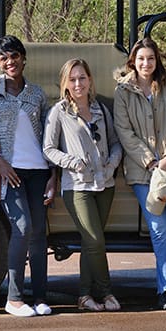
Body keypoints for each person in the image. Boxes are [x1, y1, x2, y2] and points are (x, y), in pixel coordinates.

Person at [113, 37, 166, 310]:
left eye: (150, 58)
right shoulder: (123, 92)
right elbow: (125, 132)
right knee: (159, 229)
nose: (146, 63)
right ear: (132, 63)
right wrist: (150, 162)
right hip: (142, 172)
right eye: (140, 59)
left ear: (157, 60)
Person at [0, 35, 56, 317]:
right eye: (3, 58)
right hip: (9, 172)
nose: (10, 62)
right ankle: (14, 298)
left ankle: (40, 297)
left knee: (38, 233)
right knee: (22, 228)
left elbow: (49, 137)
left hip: (38, 170)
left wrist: (52, 174)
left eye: (14, 56)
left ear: (24, 58)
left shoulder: (36, 94)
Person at [43, 59, 123, 312]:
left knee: (92, 244)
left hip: (105, 184)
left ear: (90, 80)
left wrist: (111, 164)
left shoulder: (101, 110)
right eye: (72, 79)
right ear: (65, 84)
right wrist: (71, 162)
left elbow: (116, 143)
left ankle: (85, 296)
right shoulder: (59, 112)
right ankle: (107, 292)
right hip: (77, 186)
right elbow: (48, 149)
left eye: (82, 78)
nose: (78, 84)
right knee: (94, 240)